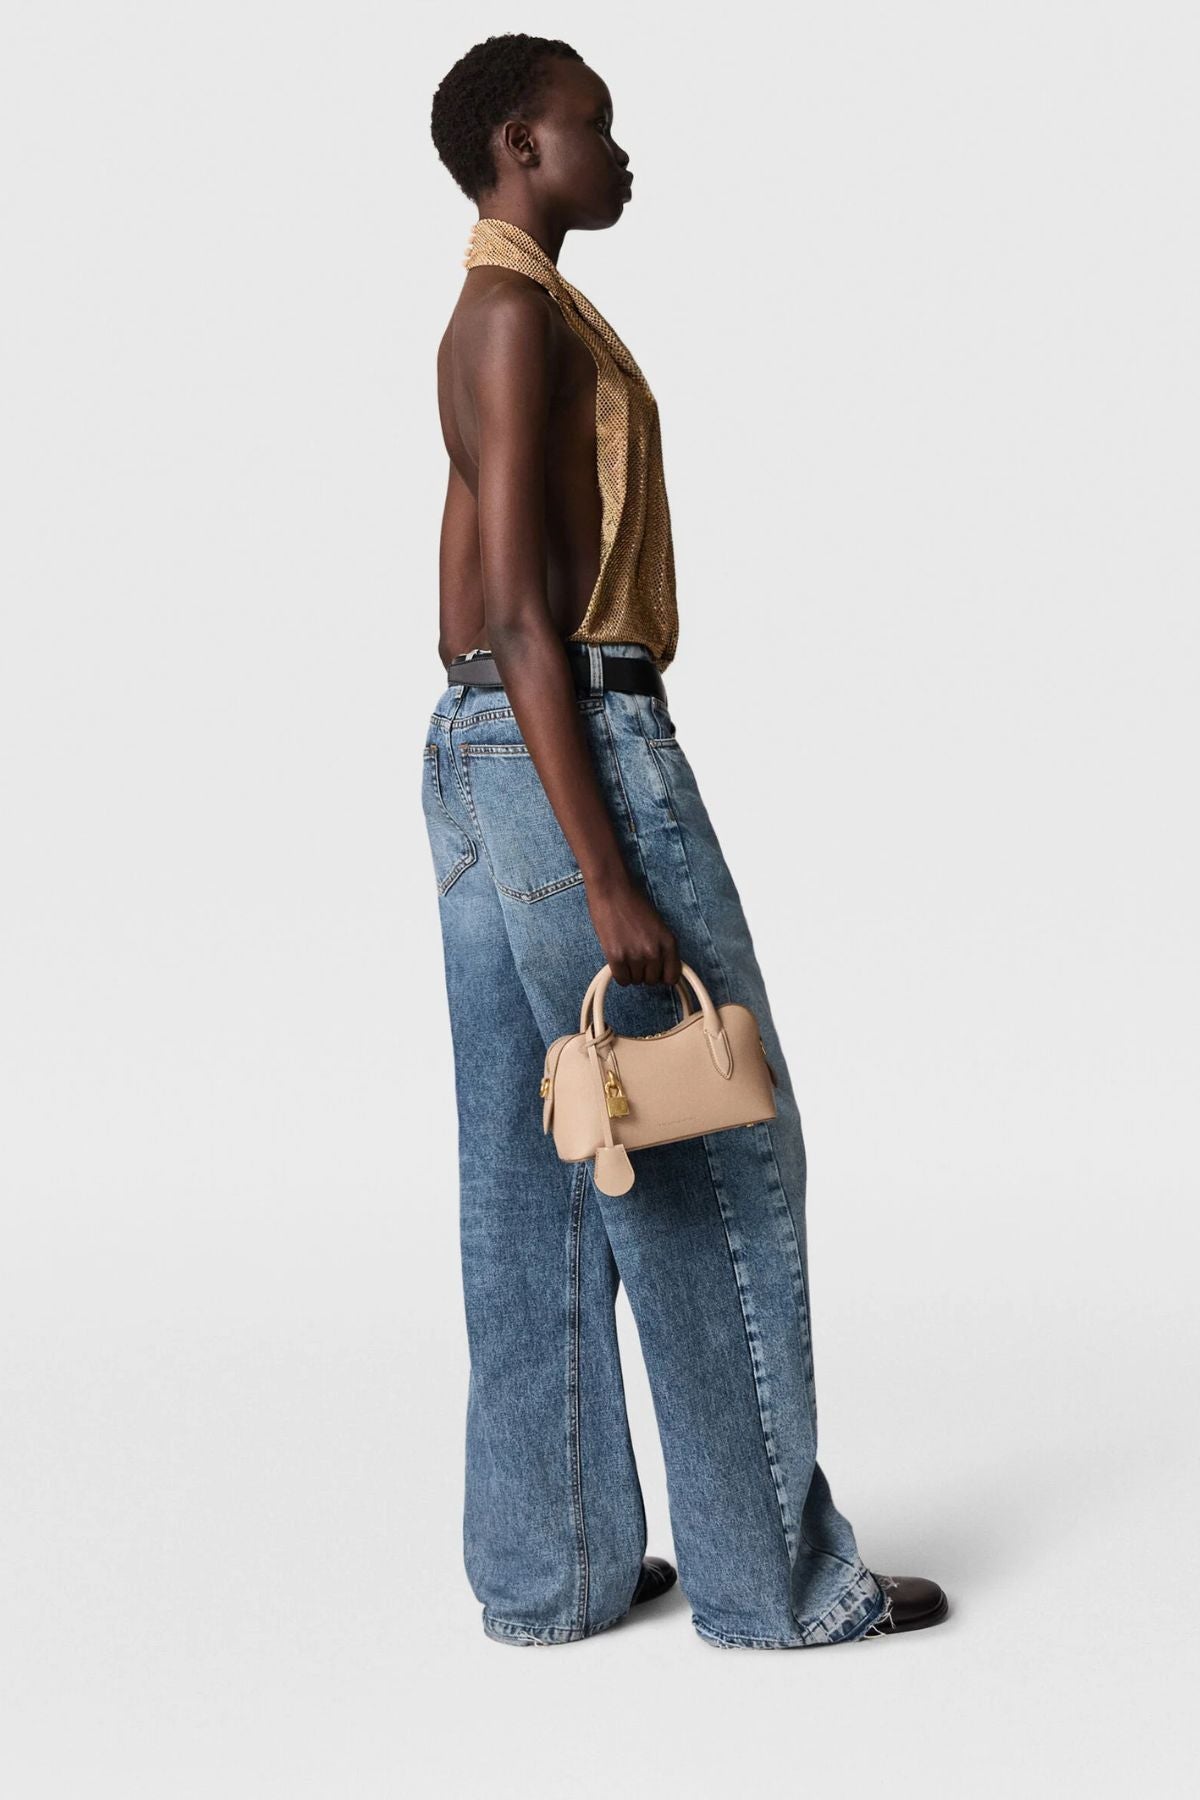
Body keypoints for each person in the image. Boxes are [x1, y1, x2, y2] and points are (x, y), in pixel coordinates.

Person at [423, 31, 948, 1649]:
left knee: (540, 1165)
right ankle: (771, 1583)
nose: (619, 148)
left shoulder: (499, 309)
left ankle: (555, 1571)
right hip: (565, 737)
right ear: (520, 146)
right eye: (592, 124)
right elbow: (523, 608)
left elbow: (466, 611)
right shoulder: (513, 316)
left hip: (480, 744)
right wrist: (602, 865)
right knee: (709, 1145)